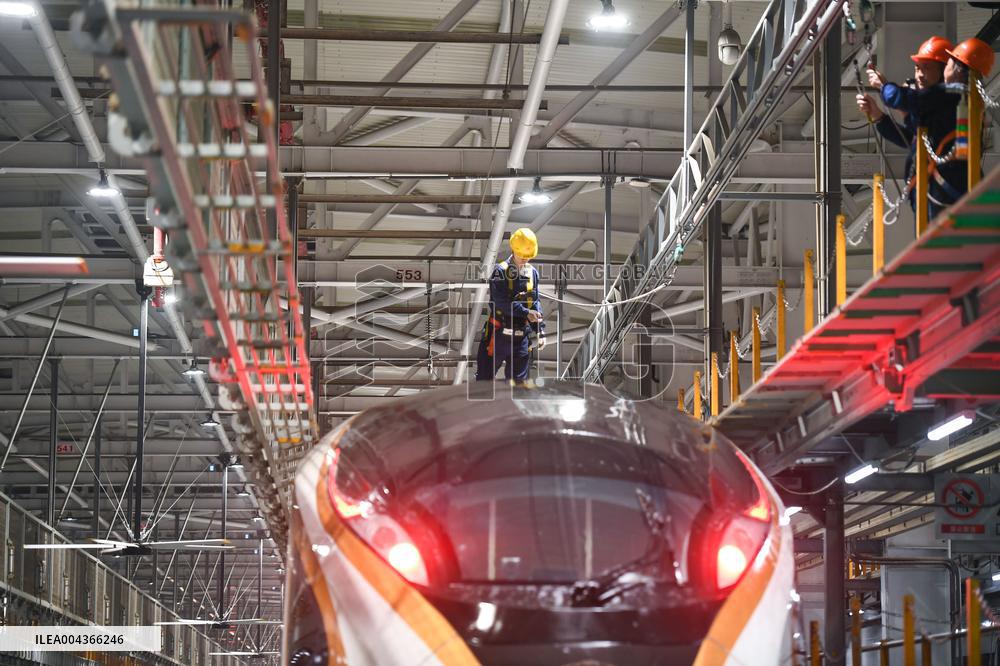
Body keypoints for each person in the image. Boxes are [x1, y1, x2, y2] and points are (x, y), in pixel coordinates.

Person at [855, 36, 964, 217]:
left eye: (927, 68)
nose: (920, 74)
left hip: (946, 192)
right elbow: (911, 139)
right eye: (917, 68)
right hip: (931, 192)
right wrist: (877, 115)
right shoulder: (933, 106)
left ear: (944, 69)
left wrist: (884, 87)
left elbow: (899, 98)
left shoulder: (947, 96)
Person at [475, 227, 546, 383]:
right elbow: (501, 302)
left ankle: (512, 408)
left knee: (519, 387)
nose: (525, 259)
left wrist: (540, 330)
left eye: (528, 256)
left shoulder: (532, 273)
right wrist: (526, 313)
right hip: (498, 335)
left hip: (521, 339)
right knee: (484, 382)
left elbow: (535, 301)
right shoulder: (500, 272)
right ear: (514, 250)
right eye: (522, 256)